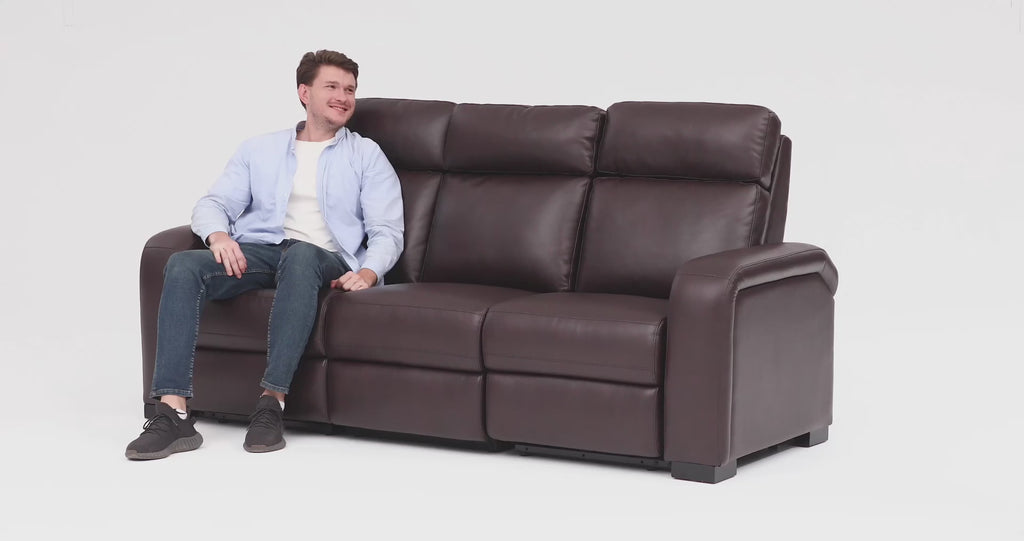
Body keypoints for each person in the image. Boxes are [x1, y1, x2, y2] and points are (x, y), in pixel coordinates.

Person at [125, 50, 404, 460]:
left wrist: (368, 272)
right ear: (304, 92)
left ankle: (271, 403)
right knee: (182, 264)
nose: (343, 97)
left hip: (325, 258)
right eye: (332, 86)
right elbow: (214, 203)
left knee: (302, 255)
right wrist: (218, 237)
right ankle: (173, 413)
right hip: (261, 253)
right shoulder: (260, 149)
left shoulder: (366, 155)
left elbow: (387, 231)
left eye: (350, 89)